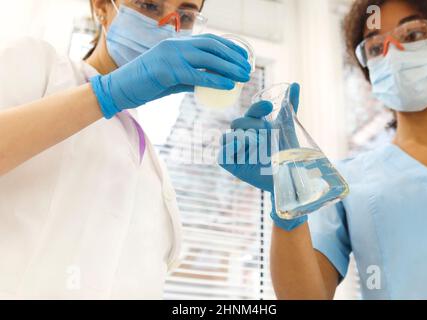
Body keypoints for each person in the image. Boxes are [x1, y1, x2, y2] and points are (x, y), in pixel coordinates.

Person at [0, 0, 251, 299]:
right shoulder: (40, 66)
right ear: (102, 7)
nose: (168, 26)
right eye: (149, 5)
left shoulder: (152, 166)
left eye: (185, 16)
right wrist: (107, 94)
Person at [220, 0, 427, 300]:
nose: (394, 54)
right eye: (376, 47)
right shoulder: (346, 181)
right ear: (370, 72)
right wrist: (289, 202)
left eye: (413, 35)